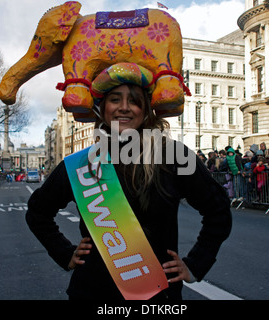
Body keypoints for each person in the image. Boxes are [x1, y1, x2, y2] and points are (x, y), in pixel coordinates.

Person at [25, 65, 232, 300]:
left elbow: (218, 210)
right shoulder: (82, 164)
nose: (124, 107)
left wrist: (195, 264)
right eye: (115, 99)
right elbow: (38, 212)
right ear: (102, 109)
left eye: (134, 101)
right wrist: (65, 252)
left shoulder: (174, 157)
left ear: (145, 111)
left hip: (157, 295)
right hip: (92, 292)